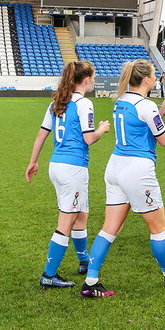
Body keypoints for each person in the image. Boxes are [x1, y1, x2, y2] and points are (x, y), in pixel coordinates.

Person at [81, 60, 165, 298]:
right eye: (153, 75)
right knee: (159, 228)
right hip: (137, 171)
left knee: (109, 228)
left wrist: (161, 112)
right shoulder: (147, 105)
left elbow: (141, 126)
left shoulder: (121, 101)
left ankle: (91, 281)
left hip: (116, 167)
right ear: (147, 80)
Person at [26, 61, 111, 288]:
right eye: (93, 77)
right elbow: (89, 138)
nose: (94, 80)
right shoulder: (84, 104)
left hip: (57, 166)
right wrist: (102, 129)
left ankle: (84, 261)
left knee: (81, 213)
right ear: (85, 80)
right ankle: (49, 275)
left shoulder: (57, 102)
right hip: (72, 169)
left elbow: (41, 135)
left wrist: (33, 162)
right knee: (66, 221)